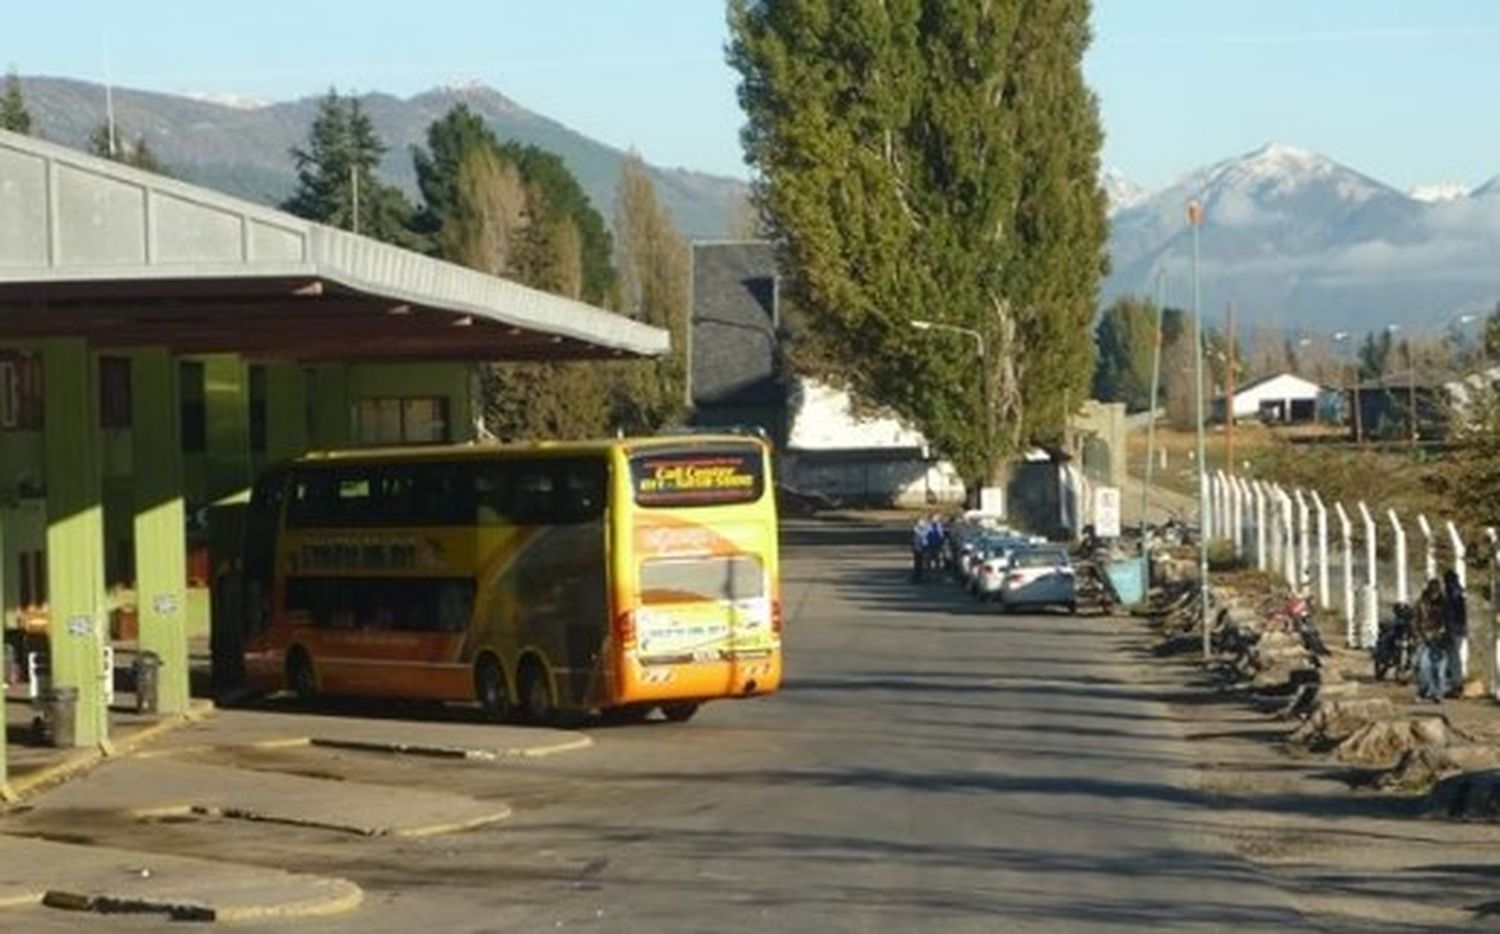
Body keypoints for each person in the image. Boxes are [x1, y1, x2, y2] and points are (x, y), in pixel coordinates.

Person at [1413, 577, 1450, 703]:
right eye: (1432, 592)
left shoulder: (1445, 604)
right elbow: (1416, 621)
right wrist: (1420, 635)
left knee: (1439, 669)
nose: (1434, 595)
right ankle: (1423, 691)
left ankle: (1438, 694)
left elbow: (1449, 622)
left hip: (1440, 640)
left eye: (1436, 592)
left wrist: (1444, 633)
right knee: (1423, 666)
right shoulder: (1421, 603)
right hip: (1424, 638)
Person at [1442, 569, 1468, 698]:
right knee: (1453, 657)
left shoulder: (1453, 593)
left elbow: (1453, 612)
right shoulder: (1458, 593)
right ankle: (1454, 684)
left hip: (1454, 629)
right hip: (1457, 629)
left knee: (1453, 658)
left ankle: (1455, 684)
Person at [911, 515, 931, 582]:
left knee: (925, 563)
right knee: (918, 563)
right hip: (918, 548)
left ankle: (924, 576)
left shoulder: (926, 529)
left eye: (923, 522)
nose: (923, 523)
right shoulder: (916, 530)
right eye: (921, 522)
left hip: (924, 548)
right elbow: (915, 541)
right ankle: (917, 576)